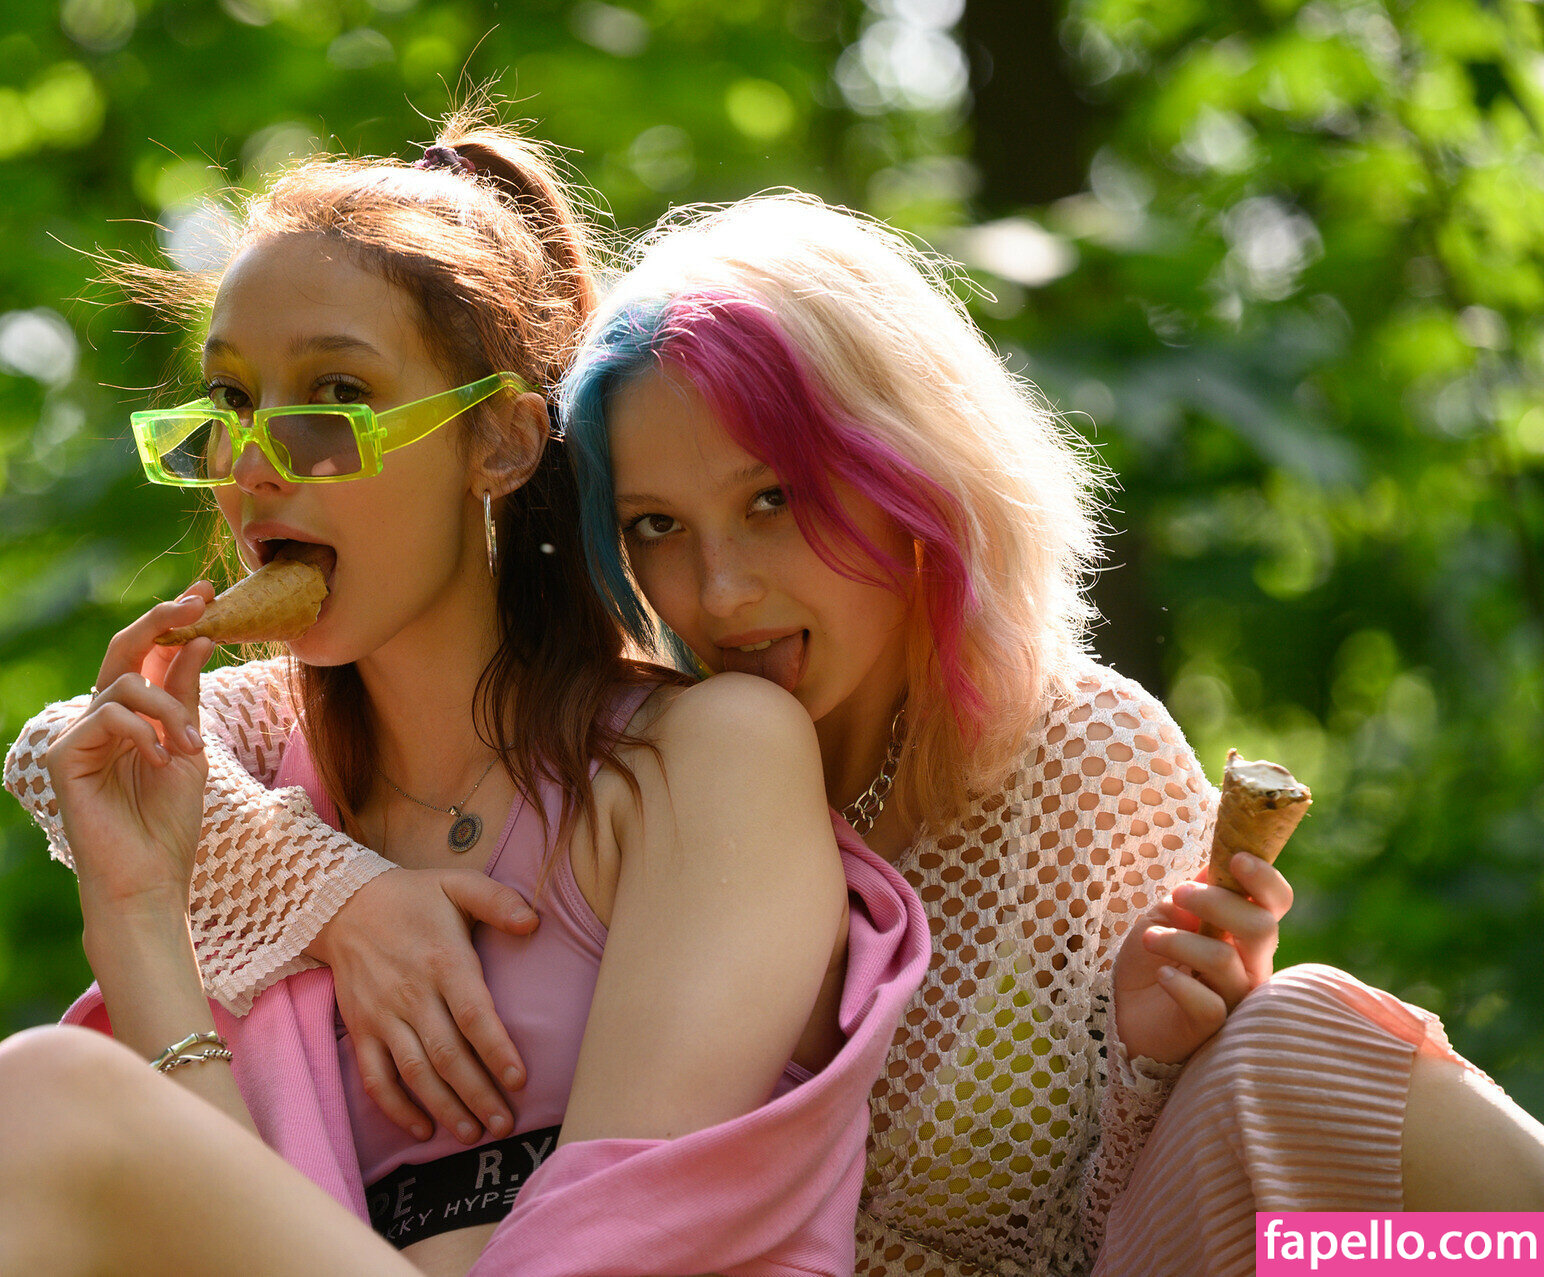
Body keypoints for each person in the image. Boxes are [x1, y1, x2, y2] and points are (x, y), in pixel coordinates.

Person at [0, 125, 927, 1277]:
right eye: (230, 399)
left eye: (335, 394)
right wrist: (142, 912)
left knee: (49, 1093)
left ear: (500, 442)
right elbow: (201, 1229)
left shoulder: (706, 755)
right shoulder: (263, 806)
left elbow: (628, 1233)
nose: (254, 462)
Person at [554, 192, 1544, 1275]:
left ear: (909, 474)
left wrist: (1152, 1059)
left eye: (772, 499)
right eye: (656, 525)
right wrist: (397, 899)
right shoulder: (619, 782)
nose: (719, 590)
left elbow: (1145, 1224)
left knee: (1299, 1041)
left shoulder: (1082, 763)